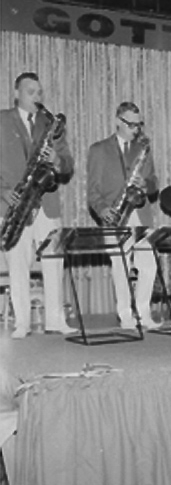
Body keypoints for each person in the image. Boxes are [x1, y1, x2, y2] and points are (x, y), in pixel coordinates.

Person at [0, 72, 75, 339]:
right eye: (30, 91)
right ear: (16, 93)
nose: (37, 96)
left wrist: (56, 159)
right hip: (14, 203)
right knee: (17, 264)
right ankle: (22, 323)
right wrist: (3, 192)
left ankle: (56, 319)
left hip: (46, 203)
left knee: (54, 261)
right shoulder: (1, 120)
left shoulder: (50, 124)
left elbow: (68, 164)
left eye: (39, 92)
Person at [87, 101, 161, 330]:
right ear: (118, 122)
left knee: (149, 265)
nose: (136, 130)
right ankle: (126, 315)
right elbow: (93, 191)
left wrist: (146, 184)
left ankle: (144, 312)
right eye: (131, 125)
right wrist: (102, 209)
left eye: (139, 125)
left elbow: (154, 183)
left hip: (140, 215)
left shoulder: (143, 149)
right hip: (115, 215)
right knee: (121, 268)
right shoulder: (98, 150)